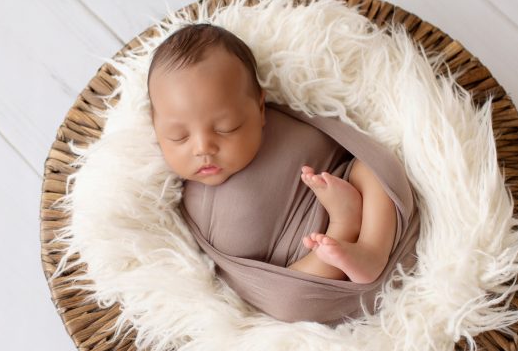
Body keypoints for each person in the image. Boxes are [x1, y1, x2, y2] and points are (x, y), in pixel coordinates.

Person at [146, 22, 397, 285]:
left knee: (374, 167)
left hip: (353, 195)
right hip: (306, 265)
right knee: (289, 296)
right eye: (179, 136)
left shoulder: (284, 124)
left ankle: (372, 249)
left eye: (226, 128)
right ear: (155, 127)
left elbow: (346, 146)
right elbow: (252, 284)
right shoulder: (188, 205)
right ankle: (344, 224)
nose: (203, 148)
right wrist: (339, 226)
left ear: (260, 109)